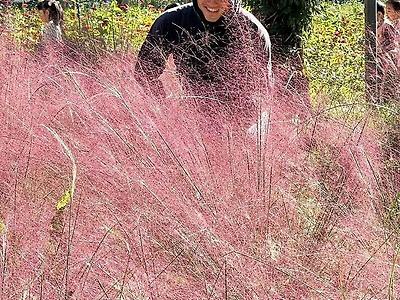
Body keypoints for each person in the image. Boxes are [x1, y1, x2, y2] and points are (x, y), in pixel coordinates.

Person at [134, 0, 272, 119]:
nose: (212, 1)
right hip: (190, 119)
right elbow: (144, 72)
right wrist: (163, 105)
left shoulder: (252, 31)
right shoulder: (171, 22)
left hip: (240, 123)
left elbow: (262, 91)